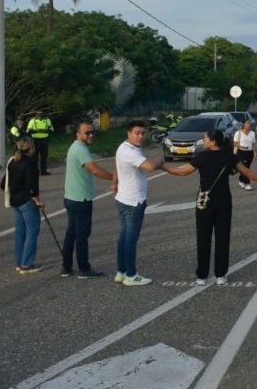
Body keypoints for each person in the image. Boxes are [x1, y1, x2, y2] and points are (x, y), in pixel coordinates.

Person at [165, 129, 257, 286]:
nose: (203, 140)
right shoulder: (229, 156)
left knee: (203, 238)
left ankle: (201, 276)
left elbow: (182, 172)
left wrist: (163, 167)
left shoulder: (201, 156)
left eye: (205, 138)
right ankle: (221, 275)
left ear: (213, 141)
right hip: (223, 201)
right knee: (223, 238)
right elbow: (246, 172)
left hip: (204, 201)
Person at [112, 120, 164, 286]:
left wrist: (114, 183)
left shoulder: (125, 147)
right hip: (134, 202)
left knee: (124, 236)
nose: (140, 136)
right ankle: (131, 275)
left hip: (123, 198)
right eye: (137, 133)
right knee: (131, 239)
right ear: (129, 134)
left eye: (143, 133)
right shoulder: (130, 152)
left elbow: (117, 168)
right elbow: (149, 167)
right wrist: (159, 160)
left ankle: (121, 272)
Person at [61, 121, 115, 278]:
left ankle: (66, 267)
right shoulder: (80, 149)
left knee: (71, 233)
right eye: (87, 133)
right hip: (81, 199)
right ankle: (84, 269)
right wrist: (114, 178)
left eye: (92, 132)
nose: (91, 135)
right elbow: (95, 170)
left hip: (71, 197)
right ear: (78, 134)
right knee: (82, 235)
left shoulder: (75, 147)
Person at [5, 137, 44, 273]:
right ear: (31, 148)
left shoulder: (12, 161)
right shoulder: (30, 162)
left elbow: (5, 182)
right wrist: (37, 200)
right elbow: (32, 184)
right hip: (26, 200)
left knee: (20, 232)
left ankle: (19, 262)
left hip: (15, 200)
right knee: (32, 231)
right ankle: (26, 264)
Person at [27, 110, 54, 175]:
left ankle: (43, 171)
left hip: (44, 140)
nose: (40, 116)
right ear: (36, 115)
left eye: (41, 115)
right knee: (34, 157)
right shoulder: (32, 121)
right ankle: (35, 171)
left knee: (44, 156)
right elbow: (28, 131)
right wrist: (36, 131)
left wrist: (45, 130)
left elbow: (52, 129)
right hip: (35, 141)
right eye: (39, 115)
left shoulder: (47, 120)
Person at [232, 119, 257, 191]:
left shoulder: (252, 133)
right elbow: (234, 143)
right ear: (243, 124)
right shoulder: (238, 133)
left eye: (250, 123)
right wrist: (241, 146)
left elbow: (253, 144)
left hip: (249, 153)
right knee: (245, 168)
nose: (249, 124)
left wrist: (254, 152)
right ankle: (247, 184)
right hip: (241, 152)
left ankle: (241, 179)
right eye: (247, 123)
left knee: (246, 168)